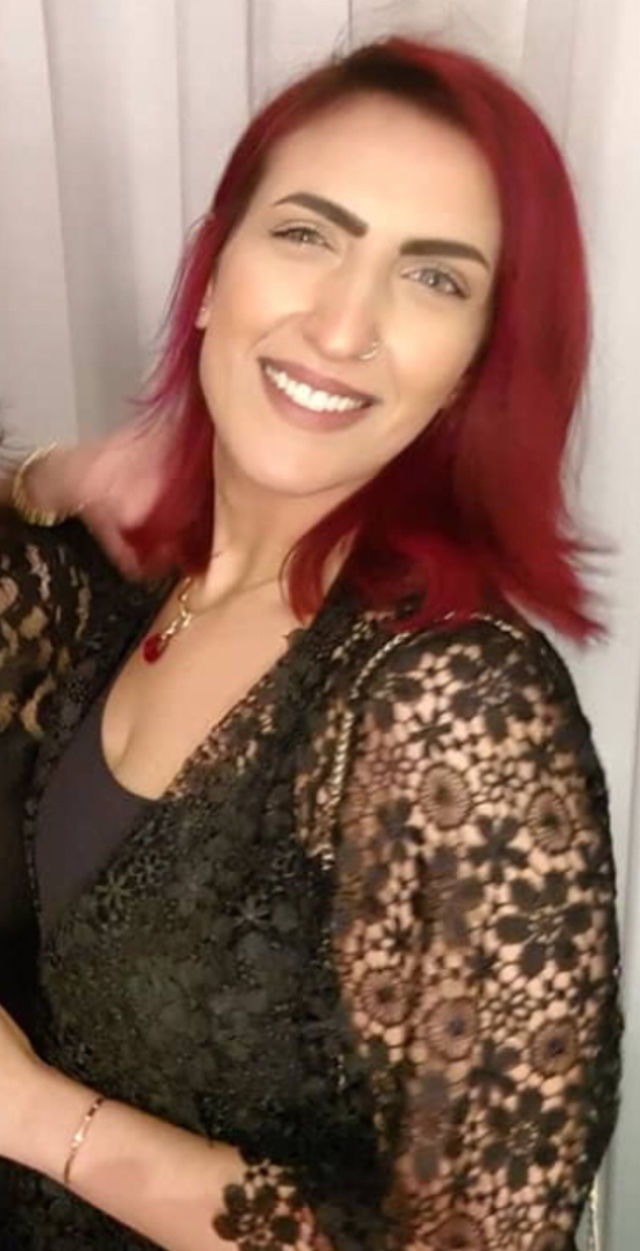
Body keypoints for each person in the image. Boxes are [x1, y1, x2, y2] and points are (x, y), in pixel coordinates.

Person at [0, 36, 622, 1251]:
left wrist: (38, 1120)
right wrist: (55, 475)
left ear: (473, 366)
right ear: (213, 271)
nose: (343, 325)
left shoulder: (454, 706)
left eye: (431, 277)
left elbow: (482, 1241)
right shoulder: (125, 585)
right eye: (305, 234)